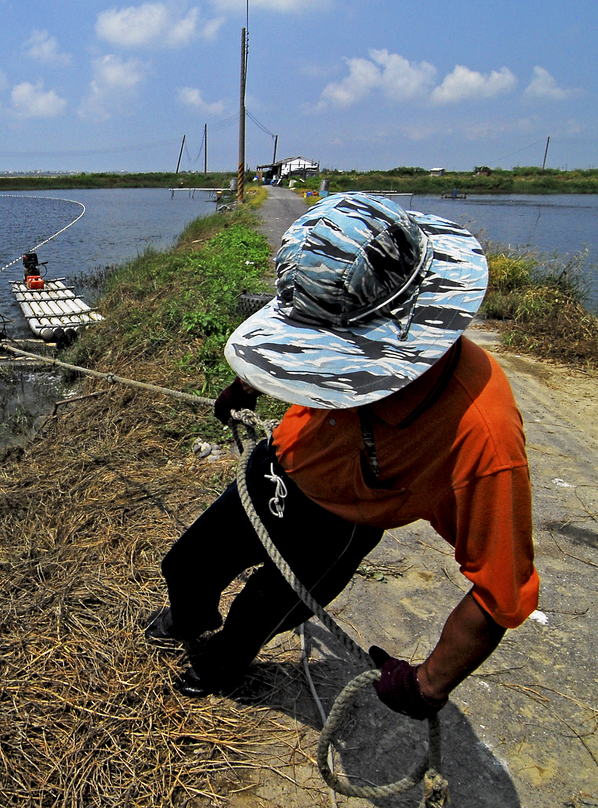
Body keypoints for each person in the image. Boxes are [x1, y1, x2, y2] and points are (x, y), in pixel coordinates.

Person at [147, 192, 538, 722]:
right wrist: (249, 383)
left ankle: (219, 664)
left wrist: (427, 684)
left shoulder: (482, 431)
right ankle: (188, 618)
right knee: (187, 563)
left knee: (259, 613)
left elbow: (502, 590)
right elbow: (297, 344)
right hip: (273, 470)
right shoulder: (334, 303)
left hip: (337, 527)